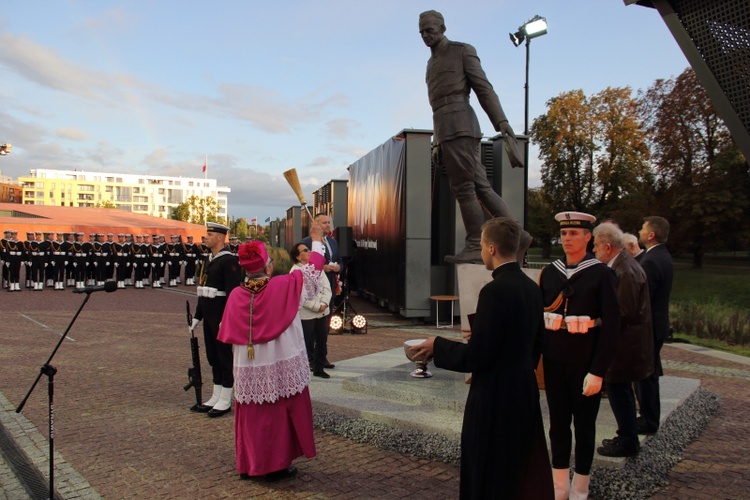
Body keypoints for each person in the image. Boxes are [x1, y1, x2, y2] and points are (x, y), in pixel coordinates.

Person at [410, 217, 553, 499]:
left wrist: (437, 346)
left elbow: (478, 356)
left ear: (490, 249)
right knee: (517, 467)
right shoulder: (532, 287)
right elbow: (537, 342)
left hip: (495, 397)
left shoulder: (494, 291)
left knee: (487, 469)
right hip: (523, 391)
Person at [419, 10, 531, 264]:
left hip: (461, 125)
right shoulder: (431, 63)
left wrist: (502, 123)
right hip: (446, 128)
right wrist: (438, 140)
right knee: (480, 187)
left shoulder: (461, 51)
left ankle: (473, 244)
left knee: (464, 188)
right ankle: (518, 236)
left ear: (443, 27)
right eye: (422, 31)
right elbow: (436, 104)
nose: (427, 35)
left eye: (431, 29)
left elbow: (483, 88)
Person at [217, 224, 327, 481]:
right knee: (277, 413)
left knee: (253, 415)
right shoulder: (283, 286)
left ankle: (250, 465)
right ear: (268, 267)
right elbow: (312, 272)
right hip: (279, 361)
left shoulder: (235, 296)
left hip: (249, 365)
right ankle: (275, 466)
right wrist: (317, 241)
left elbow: (226, 331)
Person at [539, 211, 620, 500]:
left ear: (589, 237)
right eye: (563, 233)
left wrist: (598, 371)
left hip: (585, 364)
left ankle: (581, 486)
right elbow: (541, 321)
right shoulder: (550, 273)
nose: (567, 239)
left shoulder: (602, 274)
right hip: (554, 360)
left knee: (585, 427)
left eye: (574, 233)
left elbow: (612, 328)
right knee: (558, 425)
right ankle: (559, 486)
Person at [592, 223, 654, 457]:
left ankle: (627, 441)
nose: (595, 251)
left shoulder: (624, 270)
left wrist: (596, 319)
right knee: (621, 391)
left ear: (608, 247)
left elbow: (623, 311)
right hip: (627, 343)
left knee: (620, 391)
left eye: (596, 246)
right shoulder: (625, 265)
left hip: (625, 346)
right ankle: (625, 436)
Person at [190, 222, 242, 417]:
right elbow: (203, 290)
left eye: (210, 234)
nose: (206, 237)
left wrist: (228, 319)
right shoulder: (208, 259)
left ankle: (226, 397)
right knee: (213, 356)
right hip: (209, 315)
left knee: (224, 356)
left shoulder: (229, 260)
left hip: (221, 316)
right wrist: (197, 316)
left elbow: (233, 294)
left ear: (220, 238)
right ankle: (216, 394)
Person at [636, 216, 674, 435]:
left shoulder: (651, 261)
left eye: (643, 228)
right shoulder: (661, 255)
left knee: (645, 375)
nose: (640, 231)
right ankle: (649, 417)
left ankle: (648, 420)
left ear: (651, 235)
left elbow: (643, 296)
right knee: (649, 373)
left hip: (649, 327)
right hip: (658, 325)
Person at [290, 242, 332, 378]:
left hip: (323, 311)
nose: (309, 251)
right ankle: (305, 367)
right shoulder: (295, 271)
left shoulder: (316, 267)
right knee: (306, 342)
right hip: (307, 314)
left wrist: (324, 303)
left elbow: (326, 286)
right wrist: (316, 306)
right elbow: (300, 294)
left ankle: (319, 367)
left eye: (309, 249)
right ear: (297, 257)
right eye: (305, 250)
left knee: (322, 340)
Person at [302, 213, 339, 369]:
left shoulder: (333, 242)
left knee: (324, 327)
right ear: (315, 224)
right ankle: (310, 359)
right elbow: (305, 264)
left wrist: (338, 268)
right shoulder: (305, 243)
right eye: (324, 223)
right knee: (310, 329)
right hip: (312, 291)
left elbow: (341, 260)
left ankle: (322, 358)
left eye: (328, 223)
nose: (327, 226)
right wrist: (321, 267)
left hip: (329, 288)